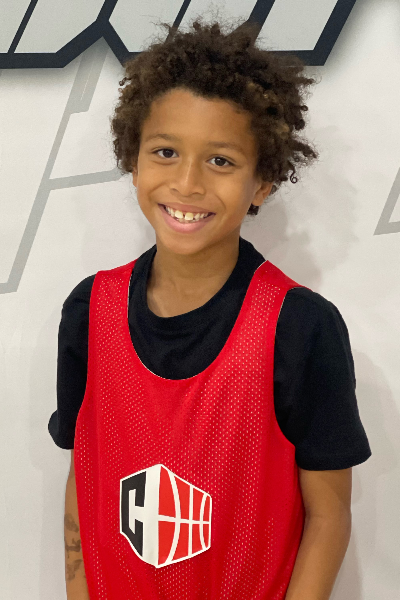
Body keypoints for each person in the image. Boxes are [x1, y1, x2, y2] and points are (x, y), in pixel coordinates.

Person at [48, 15, 371, 600]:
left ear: (263, 181)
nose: (188, 183)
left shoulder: (301, 327)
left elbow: (328, 517)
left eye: (220, 160)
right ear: (133, 161)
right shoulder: (89, 310)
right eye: (165, 152)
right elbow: (84, 474)